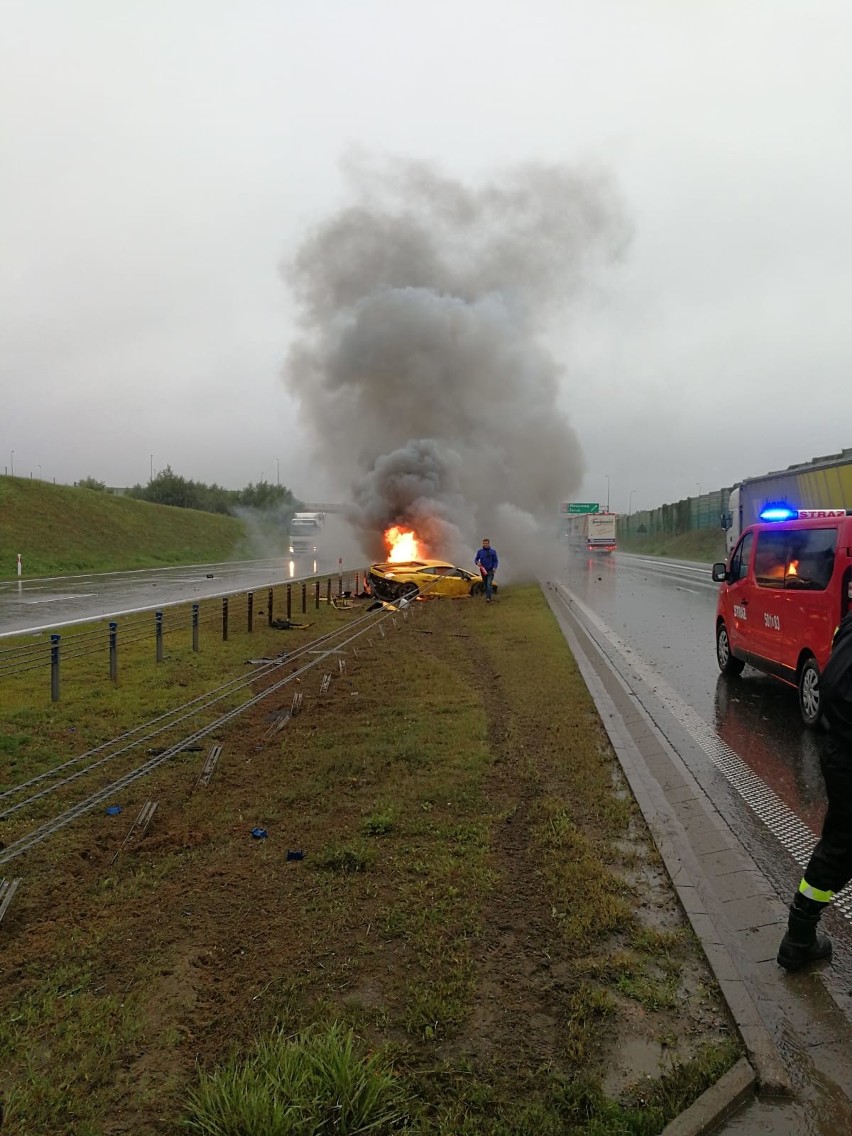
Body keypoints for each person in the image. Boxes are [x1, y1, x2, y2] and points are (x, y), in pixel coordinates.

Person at [777, 611, 852, 971]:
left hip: (839, 750)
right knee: (840, 847)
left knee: (839, 846)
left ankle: (798, 937)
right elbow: (839, 688)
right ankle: (798, 938)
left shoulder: (849, 623)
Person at [474, 538, 498, 603]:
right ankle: (488, 596)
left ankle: (488, 598)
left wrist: (495, 567)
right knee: (485, 584)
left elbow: (496, 561)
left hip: (490, 570)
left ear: (488, 543)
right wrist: (477, 563)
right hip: (483, 570)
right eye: (484, 543)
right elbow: (476, 559)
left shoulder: (493, 551)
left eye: (486, 543)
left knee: (489, 584)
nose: (485, 544)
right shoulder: (480, 552)